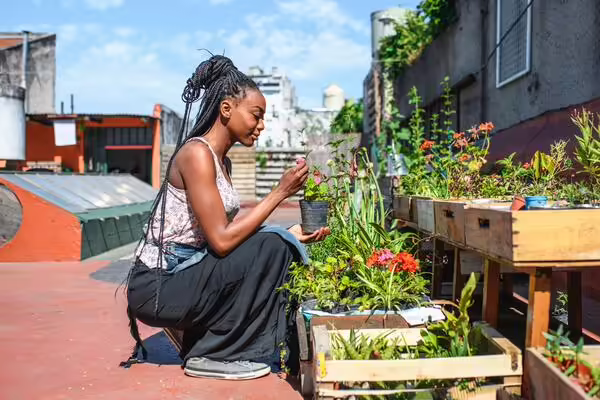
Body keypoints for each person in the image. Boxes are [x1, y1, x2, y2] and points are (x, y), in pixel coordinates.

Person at [123, 55, 330, 380]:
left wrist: (289, 233)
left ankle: (207, 339)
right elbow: (221, 242)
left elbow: (227, 234)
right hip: (158, 286)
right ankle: (214, 353)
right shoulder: (196, 155)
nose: (261, 126)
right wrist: (279, 194)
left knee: (276, 244)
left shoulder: (222, 162)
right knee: (273, 247)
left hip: (187, 272)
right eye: (256, 115)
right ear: (227, 109)